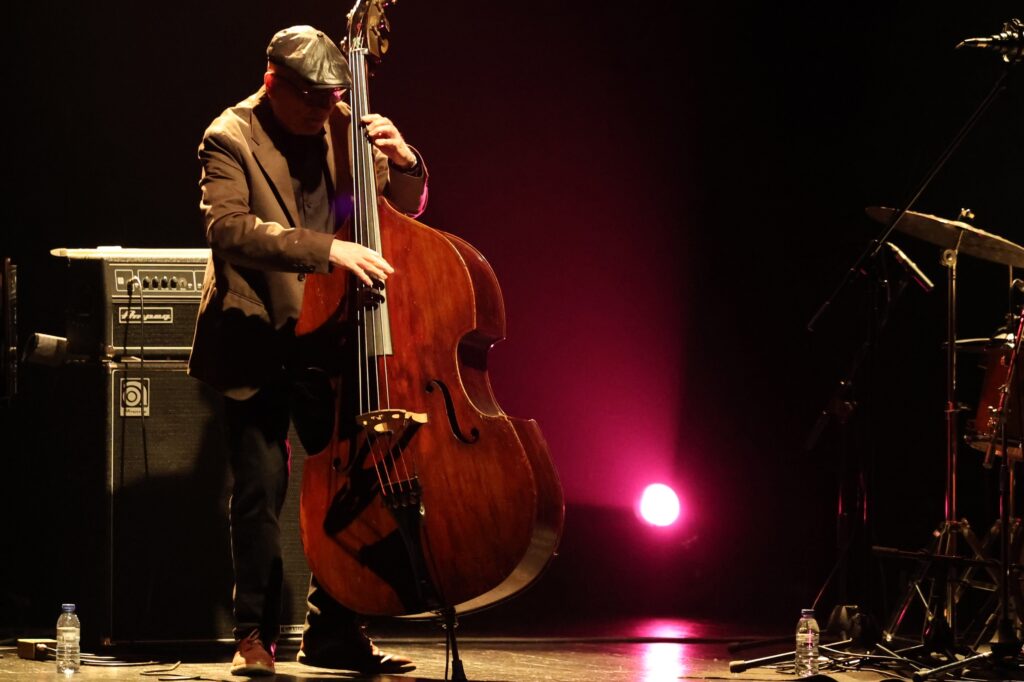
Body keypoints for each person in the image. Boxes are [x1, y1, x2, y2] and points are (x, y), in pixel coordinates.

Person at [188, 25, 426, 677]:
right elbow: (229, 229)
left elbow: (395, 210)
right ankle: (252, 636)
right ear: (274, 84)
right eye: (314, 100)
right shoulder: (229, 135)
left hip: (333, 338)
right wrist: (327, 250)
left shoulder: (345, 123)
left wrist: (405, 162)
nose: (327, 111)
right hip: (258, 335)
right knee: (261, 494)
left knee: (347, 492)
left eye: (333, 98)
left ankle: (335, 634)